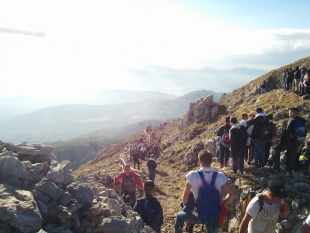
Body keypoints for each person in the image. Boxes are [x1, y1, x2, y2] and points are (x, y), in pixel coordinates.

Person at [174, 149, 237, 233]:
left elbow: (185, 196)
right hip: (214, 215)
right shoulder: (220, 176)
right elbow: (232, 194)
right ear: (211, 161)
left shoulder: (193, 175)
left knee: (179, 216)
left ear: (199, 161)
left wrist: (187, 207)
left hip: (197, 215)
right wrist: (222, 205)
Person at [273, 107, 307, 176]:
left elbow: (286, 131)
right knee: (292, 155)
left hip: (289, 141)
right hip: (298, 141)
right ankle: (289, 171)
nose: (289, 114)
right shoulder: (303, 122)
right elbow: (305, 132)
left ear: (292, 113)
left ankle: (276, 168)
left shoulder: (292, 120)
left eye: (289, 113)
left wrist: (282, 140)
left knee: (275, 150)